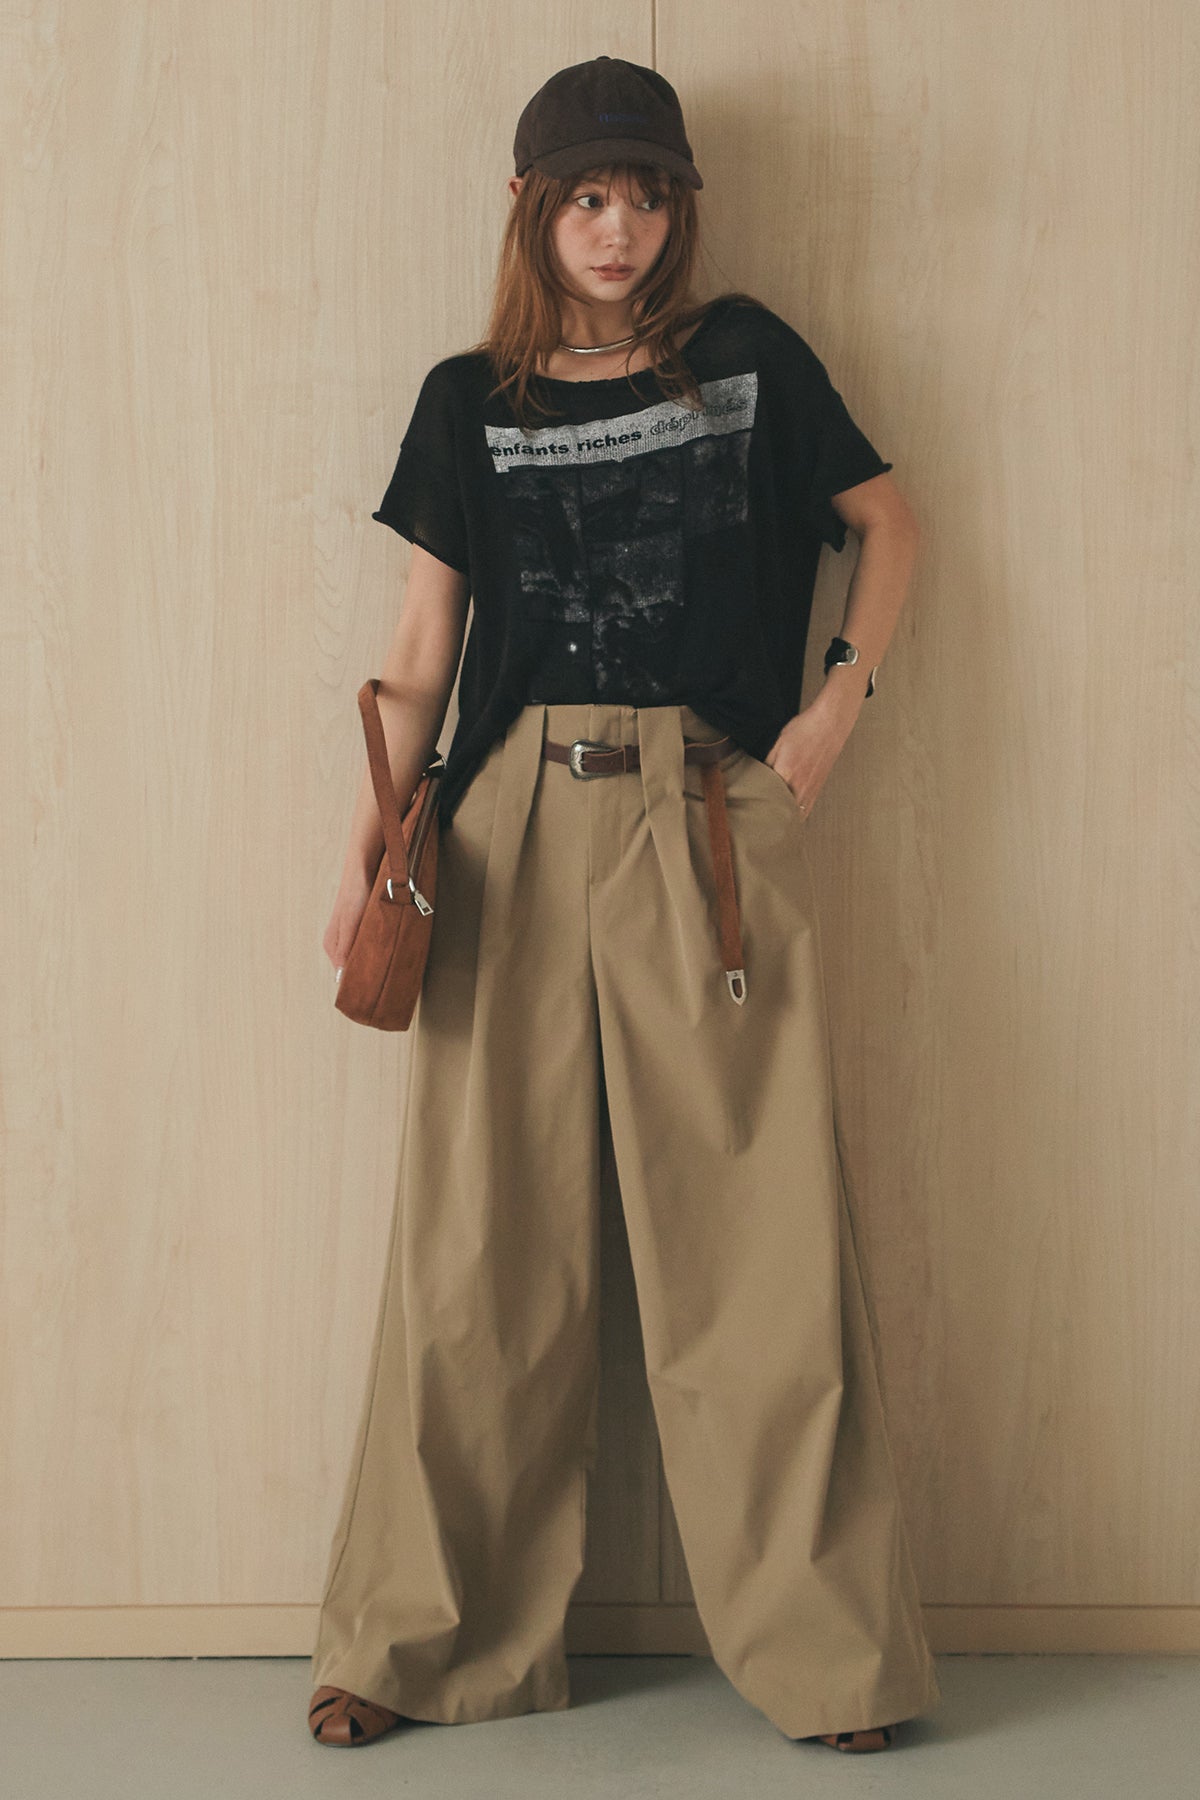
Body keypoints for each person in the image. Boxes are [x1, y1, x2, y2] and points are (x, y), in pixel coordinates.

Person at [308, 54, 938, 1758]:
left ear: (678, 211)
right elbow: (423, 645)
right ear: (531, 209)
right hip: (505, 823)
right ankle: (422, 1640)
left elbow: (889, 525)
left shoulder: (753, 362)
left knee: (757, 1247)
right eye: (587, 196)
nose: (619, 227)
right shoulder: (467, 400)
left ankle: (832, 1660)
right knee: (479, 1250)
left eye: (647, 196)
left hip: (708, 812)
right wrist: (368, 845)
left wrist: (834, 710)